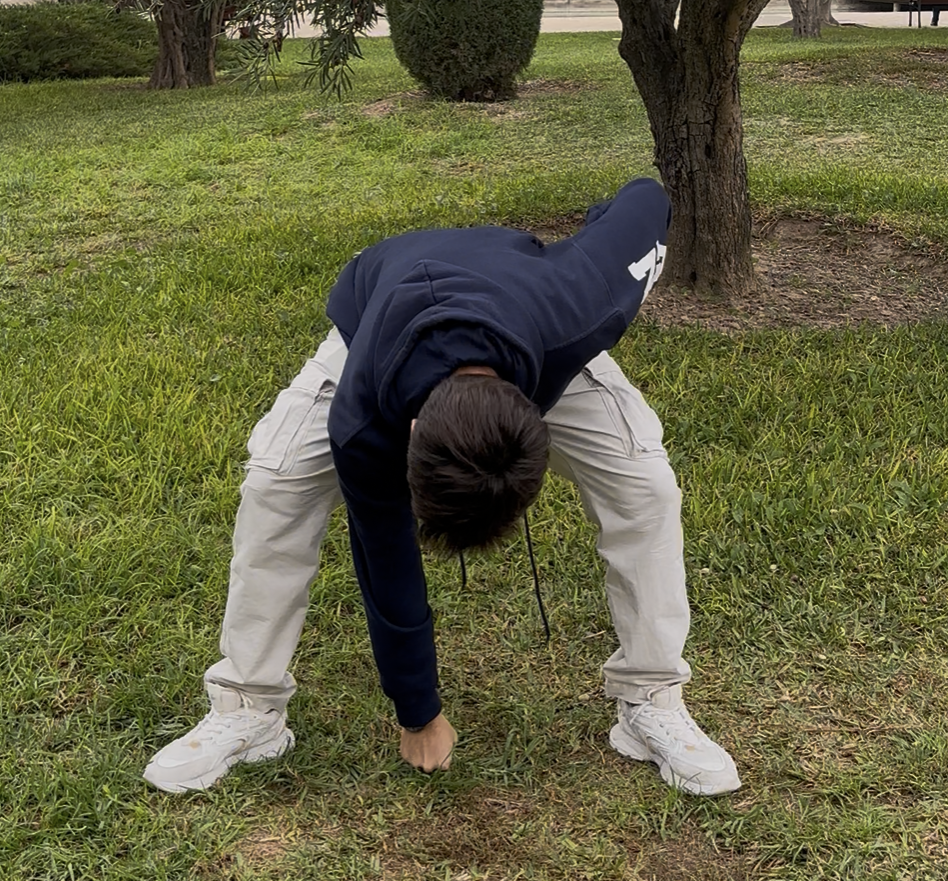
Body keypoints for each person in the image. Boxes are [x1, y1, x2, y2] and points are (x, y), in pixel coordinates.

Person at [143, 177, 741, 797]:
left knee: (645, 483)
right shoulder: (364, 423)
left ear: (537, 415)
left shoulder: (587, 297)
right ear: (405, 437)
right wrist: (418, 710)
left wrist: (586, 230)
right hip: (374, 314)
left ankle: (651, 700)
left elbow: (647, 196)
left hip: (527, 306)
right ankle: (247, 709)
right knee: (276, 483)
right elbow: (386, 558)